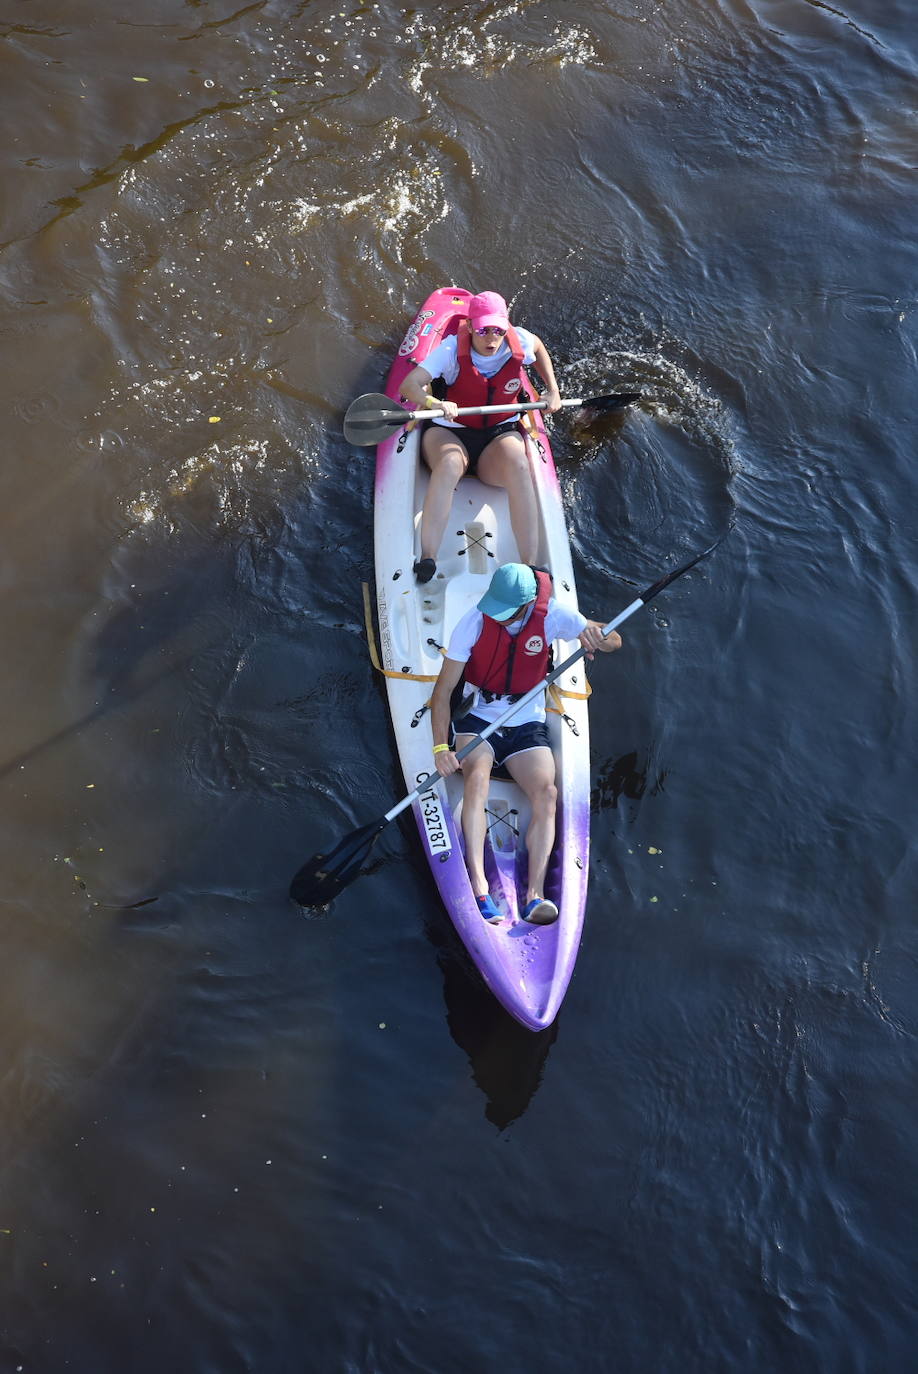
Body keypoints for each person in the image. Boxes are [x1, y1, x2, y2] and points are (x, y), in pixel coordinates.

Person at [429, 563, 622, 925]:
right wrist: (441, 748)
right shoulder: (472, 623)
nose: (497, 618)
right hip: (478, 717)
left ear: (529, 604)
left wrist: (597, 637)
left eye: (505, 613)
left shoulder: (554, 617)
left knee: (547, 793)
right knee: (477, 778)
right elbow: (441, 695)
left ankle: (534, 895)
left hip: (526, 720)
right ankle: (480, 884)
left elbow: (614, 640)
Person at [399, 291, 562, 584]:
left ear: (505, 327)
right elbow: (410, 385)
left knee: (519, 464)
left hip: (497, 437)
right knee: (450, 463)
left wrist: (553, 390)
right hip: (449, 432)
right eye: (484, 329)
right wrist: (435, 404)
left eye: (498, 330)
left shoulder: (519, 341)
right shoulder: (450, 351)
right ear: (471, 326)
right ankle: (428, 557)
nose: (491, 338)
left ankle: (532, 565)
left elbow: (538, 347)